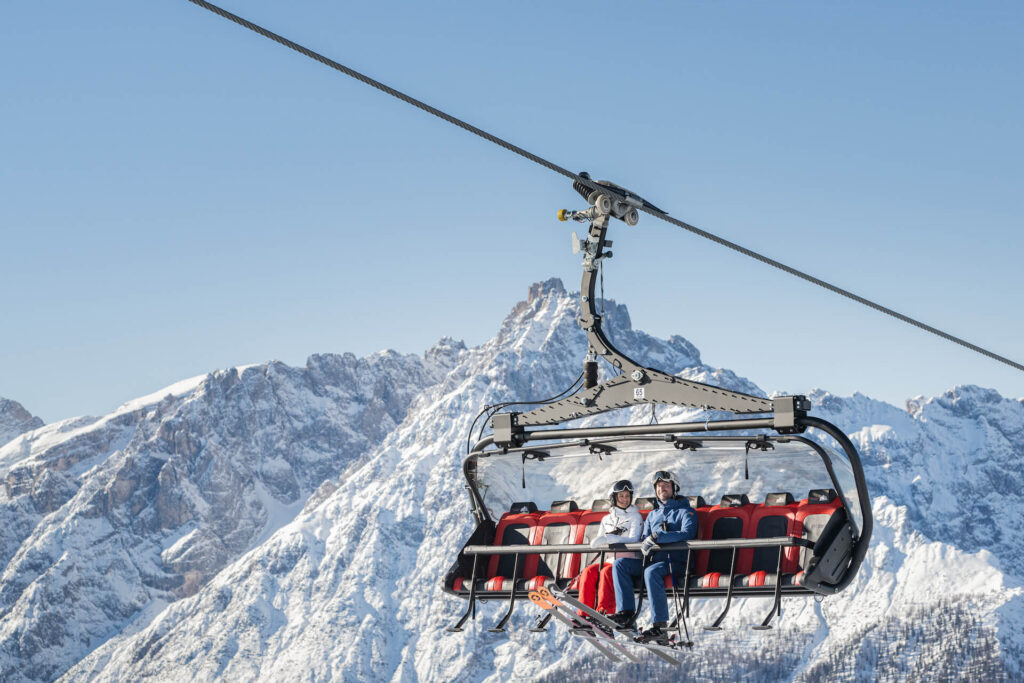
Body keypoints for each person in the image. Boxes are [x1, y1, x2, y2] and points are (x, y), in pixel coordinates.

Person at [609, 470, 697, 641]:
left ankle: (660, 626)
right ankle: (626, 613)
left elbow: (688, 533)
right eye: (658, 486)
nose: (661, 488)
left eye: (665, 485)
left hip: (675, 561)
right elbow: (645, 538)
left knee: (651, 572)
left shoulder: (686, 512)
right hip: (654, 560)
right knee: (620, 565)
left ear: (674, 488)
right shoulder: (653, 515)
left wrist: (659, 537)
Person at [575, 479, 643, 619]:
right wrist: (601, 541)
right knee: (588, 572)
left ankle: (604, 613)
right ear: (614, 498)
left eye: (627, 496)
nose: (625, 499)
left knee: (606, 572)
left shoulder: (635, 517)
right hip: (610, 560)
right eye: (621, 496)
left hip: (627, 561)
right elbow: (601, 539)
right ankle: (583, 615)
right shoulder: (606, 519)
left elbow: (634, 540)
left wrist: (611, 539)